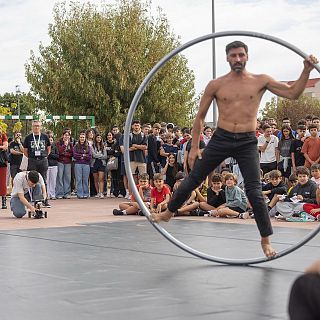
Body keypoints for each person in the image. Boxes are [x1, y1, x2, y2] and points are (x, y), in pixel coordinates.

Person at [151, 40, 318, 258]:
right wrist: (193, 147)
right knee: (193, 178)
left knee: (254, 192)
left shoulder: (261, 80)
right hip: (221, 137)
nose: (237, 59)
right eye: (233, 55)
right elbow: (200, 117)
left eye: (241, 55)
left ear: (247, 56)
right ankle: (168, 213)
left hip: (248, 140)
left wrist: (305, 70)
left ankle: (265, 241)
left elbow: (293, 93)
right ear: (227, 58)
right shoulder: (216, 84)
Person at [23, 120, 51, 207]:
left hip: (42, 160)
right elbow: (25, 151)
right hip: (32, 161)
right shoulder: (28, 138)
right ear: (32, 127)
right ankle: (35, 199)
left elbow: (48, 148)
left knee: (43, 180)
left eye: (38, 126)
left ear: (41, 127)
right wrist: (31, 157)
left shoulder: (45, 137)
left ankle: (44, 200)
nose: (36, 127)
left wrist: (45, 155)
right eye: (35, 126)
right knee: (32, 180)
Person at [73, 131, 92, 199]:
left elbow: (89, 156)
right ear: (79, 138)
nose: (82, 138)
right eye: (81, 137)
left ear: (85, 138)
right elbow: (75, 155)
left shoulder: (88, 147)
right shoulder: (76, 146)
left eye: (83, 137)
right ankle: (80, 194)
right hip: (78, 164)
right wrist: (83, 155)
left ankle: (86, 193)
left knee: (85, 179)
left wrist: (82, 156)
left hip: (86, 165)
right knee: (79, 179)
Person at [55, 130, 73, 199]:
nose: (66, 136)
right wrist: (64, 146)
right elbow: (59, 152)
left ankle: (67, 193)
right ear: (63, 135)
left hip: (68, 162)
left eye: (68, 135)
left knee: (67, 178)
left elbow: (72, 153)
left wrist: (65, 154)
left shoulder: (70, 144)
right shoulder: (58, 143)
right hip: (60, 162)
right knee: (59, 178)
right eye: (65, 135)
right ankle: (59, 193)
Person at [91, 133, 107, 198]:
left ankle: (101, 192)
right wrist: (101, 155)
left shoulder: (103, 146)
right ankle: (97, 192)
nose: (99, 139)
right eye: (97, 137)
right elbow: (93, 155)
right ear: (95, 138)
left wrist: (98, 156)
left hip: (101, 163)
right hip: (94, 164)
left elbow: (105, 156)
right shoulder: (92, 146)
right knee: (95, 179)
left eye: (100, 138)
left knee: (101, 179)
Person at [0, 126, 8, 209]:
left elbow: (5, 146)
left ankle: (4, 201)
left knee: (2, 182)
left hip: (1, 161)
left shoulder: (3, 136)